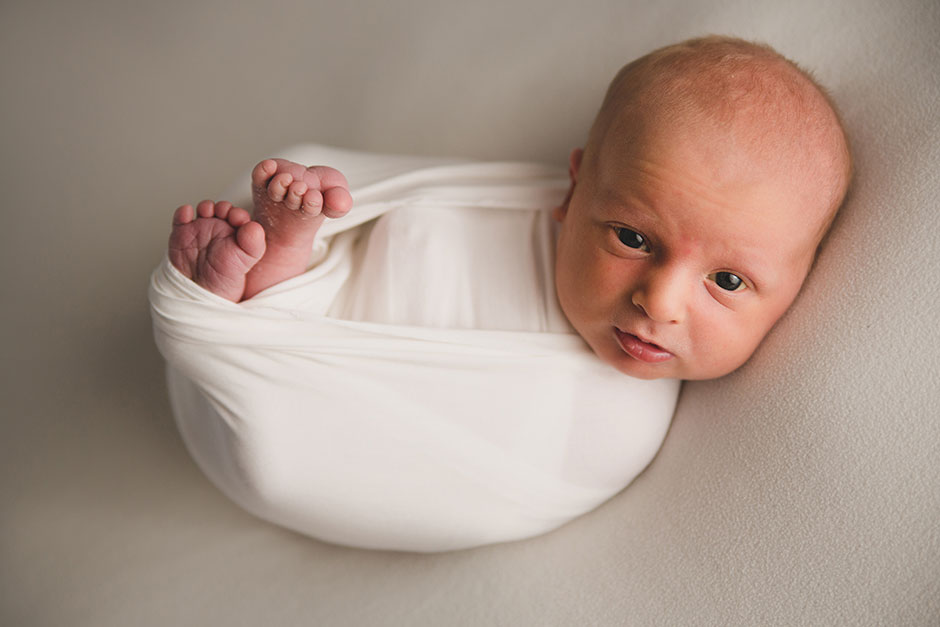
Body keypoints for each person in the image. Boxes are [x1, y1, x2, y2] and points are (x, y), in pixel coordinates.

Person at [167, 35, 851, 382]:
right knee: (351, 261)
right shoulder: (513, 213)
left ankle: (264, 303)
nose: (660, 302)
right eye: (632, 237)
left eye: (727, 281)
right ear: (574, 190)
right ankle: (285, 263)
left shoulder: (618, 424)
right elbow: (417, 215)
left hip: (345, 397)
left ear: (800, 283)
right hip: (359, 302)